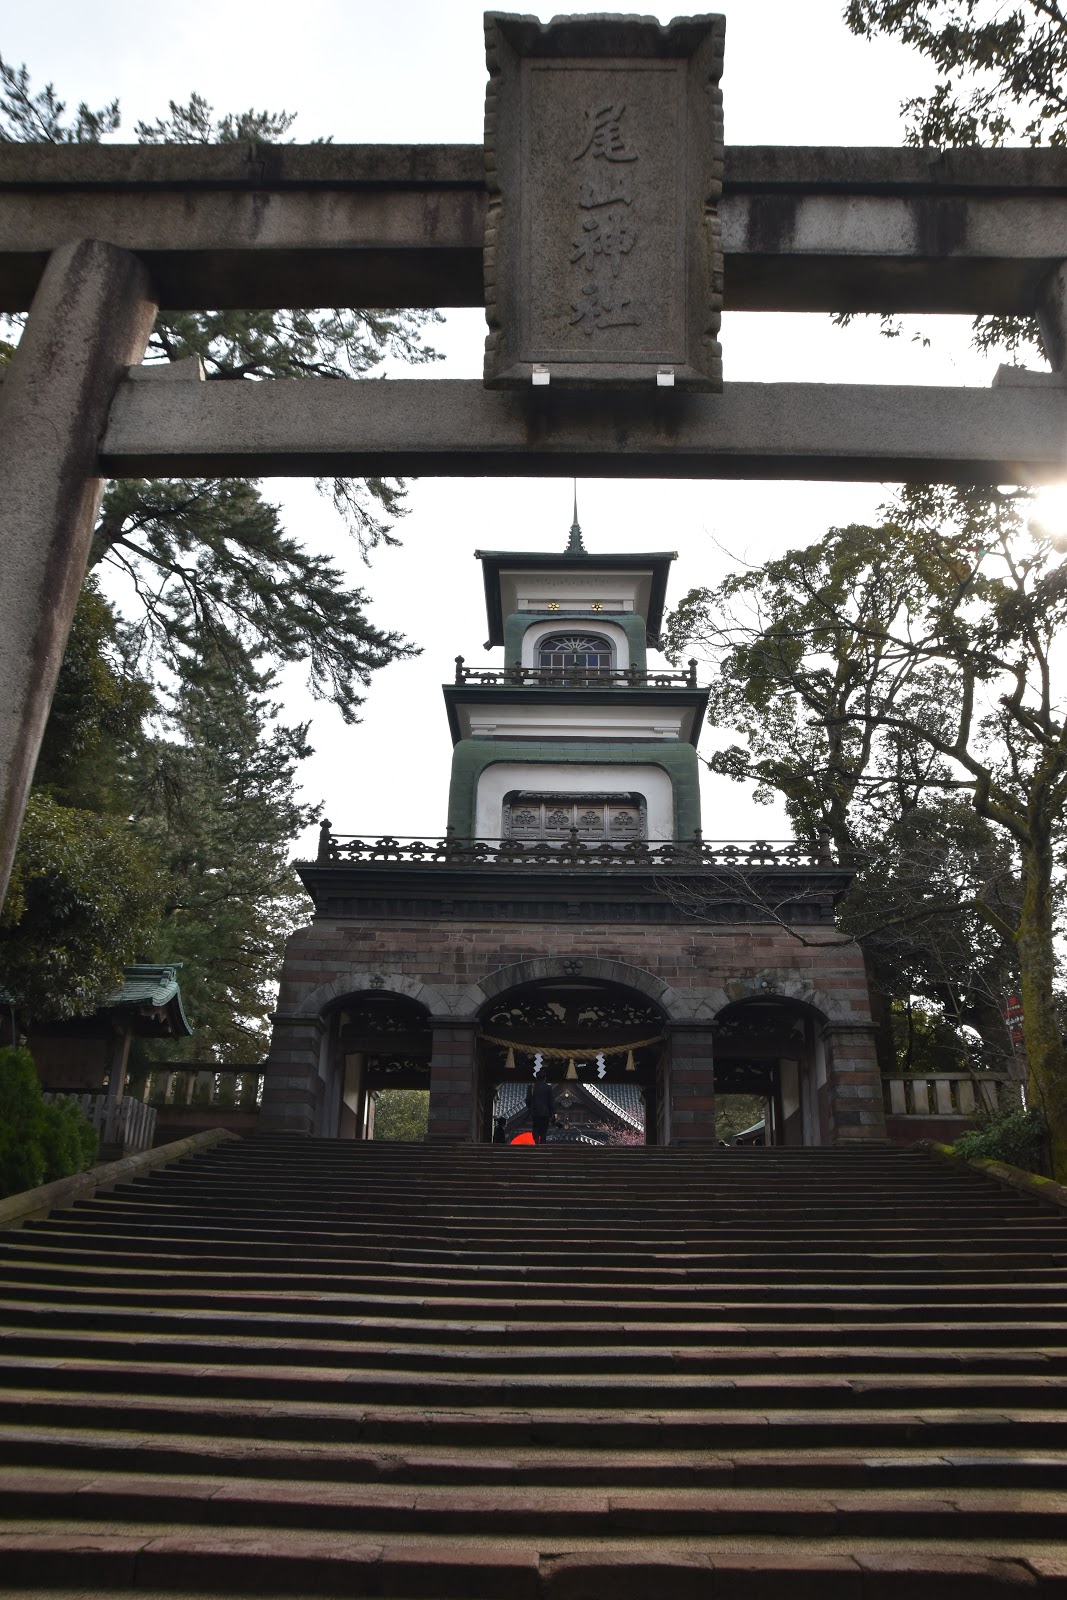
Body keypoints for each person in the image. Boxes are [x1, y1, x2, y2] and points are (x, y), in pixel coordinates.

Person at [525, 1077, 555, 1144]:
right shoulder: (548, 1088)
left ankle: (536, 1141)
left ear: (536, 1078)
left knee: (535, 1127)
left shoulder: (532, 1087)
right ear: (544, 1078)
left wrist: (530, 1107)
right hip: (545, 1112)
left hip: (535, 1112)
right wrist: (553, 1112)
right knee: (544, 1129)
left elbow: (528, 1100)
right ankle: (542, 1142)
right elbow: (551, 1101)